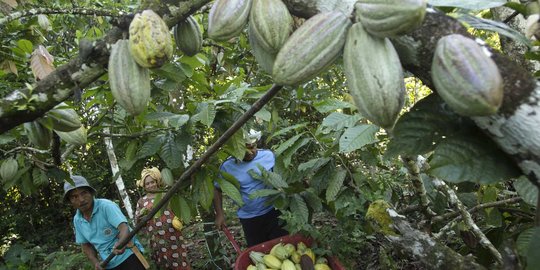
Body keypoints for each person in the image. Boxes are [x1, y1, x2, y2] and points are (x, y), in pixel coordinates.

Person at [213, 129, 288, 247]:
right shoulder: (227, 166)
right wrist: (220, 214)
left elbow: (281, 177)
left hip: (274, 212)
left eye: (252, 147)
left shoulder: (268, 156)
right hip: (250, 218)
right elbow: (217, 188)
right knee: (259, 252)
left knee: (283, 247)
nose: (250, 152)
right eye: (244, 149)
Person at [64, 175, 146, 270]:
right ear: (70, 201)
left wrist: (120, 243)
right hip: (108, 264)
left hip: (128, 256)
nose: (81, 199)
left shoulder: (106, 206)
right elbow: (86, 245)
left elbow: (124, 228)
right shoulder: (77, 220)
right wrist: (96, 262)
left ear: (91, 193)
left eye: (84, 193)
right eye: (75, 197)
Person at [135, 167, 191, 270]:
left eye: (152, 182)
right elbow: (137, 223)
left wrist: (178, 219)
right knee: (163, 262)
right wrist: (139, 218)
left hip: (172, 234)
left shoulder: (166, 194)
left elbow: (177, 209)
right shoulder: (141, 201)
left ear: (157, 182)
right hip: (156, 238)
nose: (150, 185)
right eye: (147, 184)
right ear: (144, 186)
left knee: (179, 259)